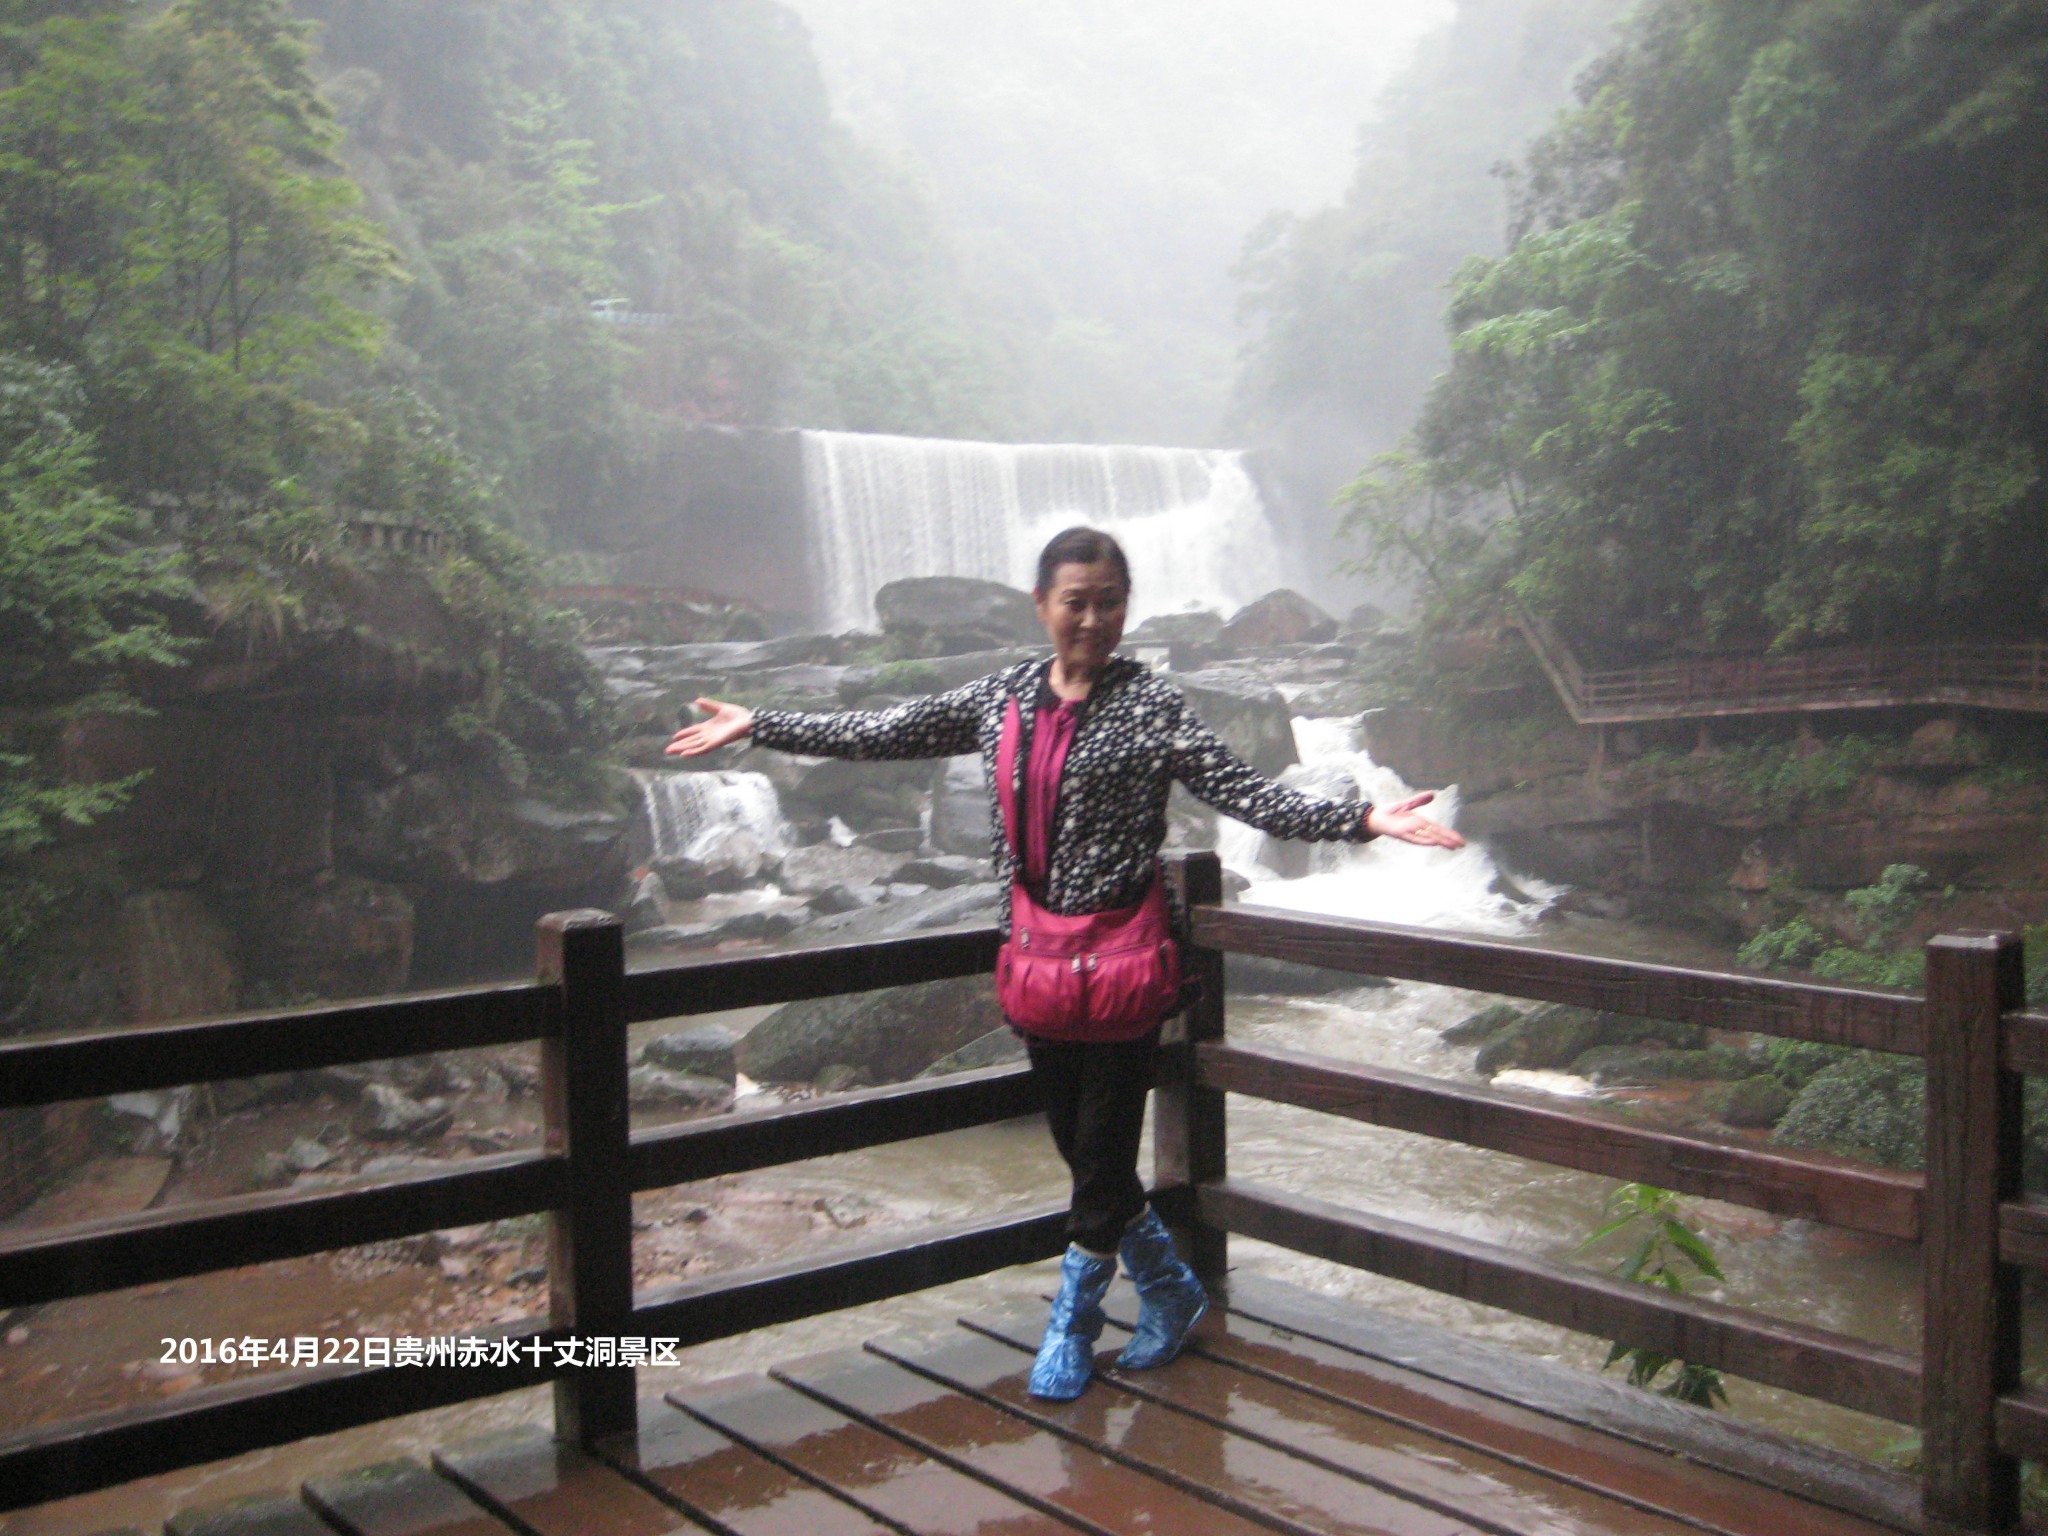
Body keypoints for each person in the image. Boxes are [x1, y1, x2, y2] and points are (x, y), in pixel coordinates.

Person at [666, 527, 1465, 1399]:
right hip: (1039, 962)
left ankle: (1072, 1326)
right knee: (1085, 1154)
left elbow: (1249, 792)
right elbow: (882, 729)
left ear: (1127, 606)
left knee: (1098, 1154)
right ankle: (1170, 1290)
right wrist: (764, 724)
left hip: (1124, 964)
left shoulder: (1154, 706)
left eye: (1109, 600)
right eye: (1075, 601)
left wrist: (1361, 820)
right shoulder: (1002, 697)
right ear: (1041, 605)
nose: (1093, 619)